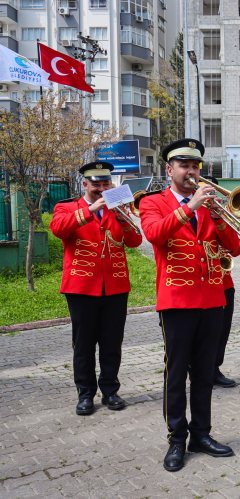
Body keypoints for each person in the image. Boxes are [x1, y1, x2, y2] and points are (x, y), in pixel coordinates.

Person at [139, 139, 240, 472]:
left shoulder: (210, 205)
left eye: (195, 166)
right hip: (177, 301)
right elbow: (154, 234)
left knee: (203, 373)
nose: (192, 171)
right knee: (176, 372)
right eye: (184, 165)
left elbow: (236, 248)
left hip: (211, 299)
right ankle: (176, 439)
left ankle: (201, 434)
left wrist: (219, 217)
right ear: (169, 170)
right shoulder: (153, 202)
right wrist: (189, 207)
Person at [49, 161, 143, 416]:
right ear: (85, 184)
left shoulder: (119, 207)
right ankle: (86, 394)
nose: (102, 189)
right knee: (84, 343)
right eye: (96, 184)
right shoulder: (67, 207)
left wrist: (124, 218)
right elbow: (58, 229)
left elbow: (135, 241)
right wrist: (91, 209)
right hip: (81, 287)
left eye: (106, 184)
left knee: (112, 342)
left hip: (115, 285)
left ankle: (110, 391)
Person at [208, 176, 240, 389]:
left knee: (222, 330)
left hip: (223, 282)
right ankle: (196, 369)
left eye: (212, 192)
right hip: (198, 282)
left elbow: (237, 248)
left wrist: (220, 221)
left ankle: (214, 369)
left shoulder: (222, 213)